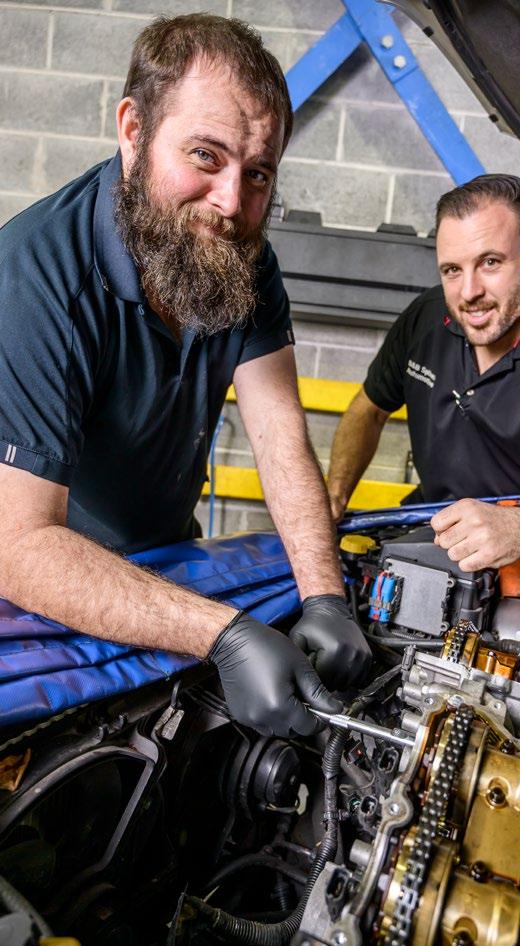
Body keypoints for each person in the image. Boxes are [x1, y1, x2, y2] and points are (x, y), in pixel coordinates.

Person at [0, 14, 371, 738]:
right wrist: (223, 634)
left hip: (166, 567)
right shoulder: (32, 280)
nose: (231, 202)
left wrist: (325, 597)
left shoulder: (238, 257)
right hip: (39, 611)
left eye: (257, 173)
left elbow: (281, 437)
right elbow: (19, 546)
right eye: (206, 155)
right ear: (133, 130)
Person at [328, 174, 520, 570]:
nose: (469, 292)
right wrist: (334, 497)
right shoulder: (426, 317)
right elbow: (369, 410)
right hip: (429, 531)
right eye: (452, 270)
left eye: (490, 262)